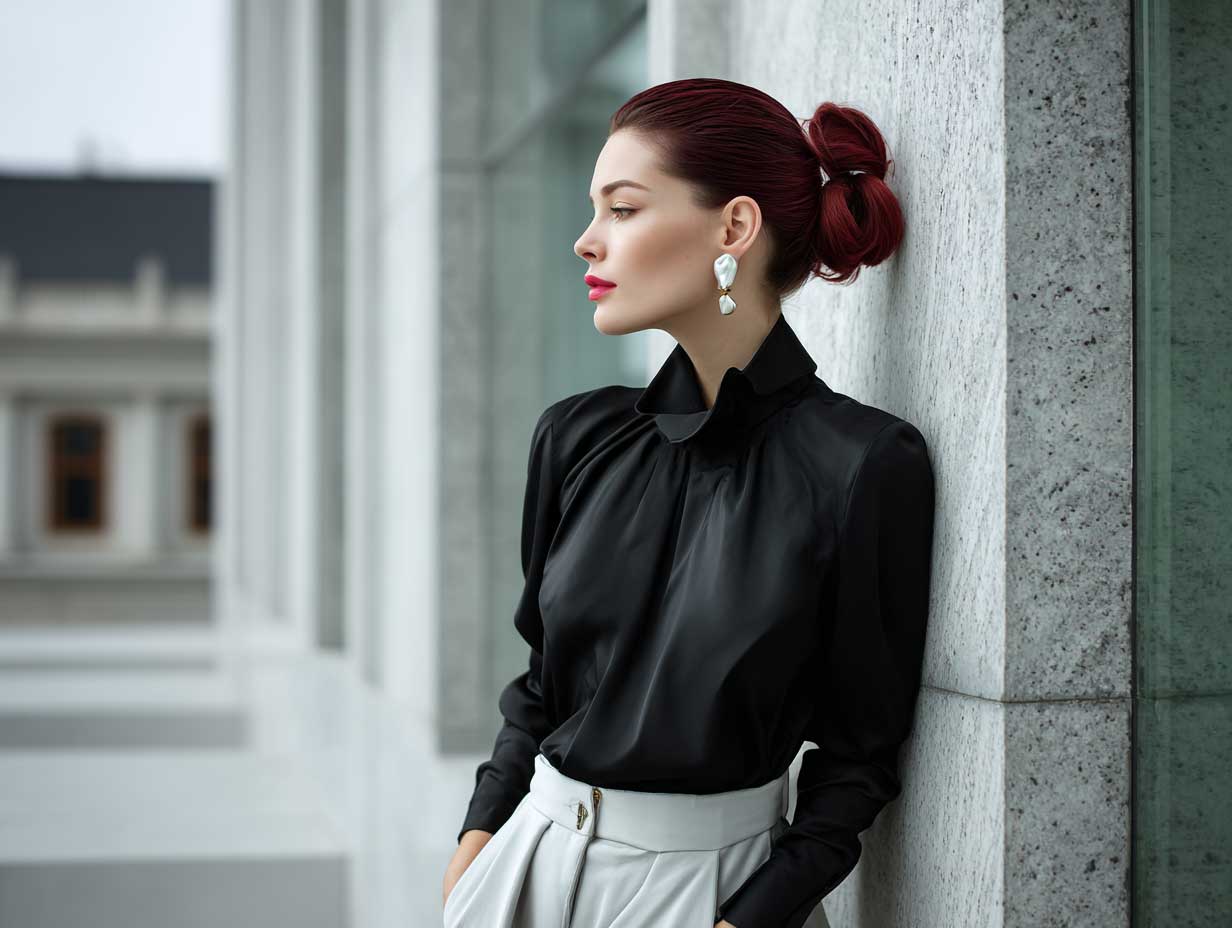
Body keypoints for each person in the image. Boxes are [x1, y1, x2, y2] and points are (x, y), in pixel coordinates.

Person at [441, 77, 936, 928]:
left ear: (734, 227)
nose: (586, 242)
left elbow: (859, 754)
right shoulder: (576, 438)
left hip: (713, 891)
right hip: (522, 866)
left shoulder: (861, 464)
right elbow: (541, 683)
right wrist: (477, 844)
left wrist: (751, 916)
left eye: (623, 209)